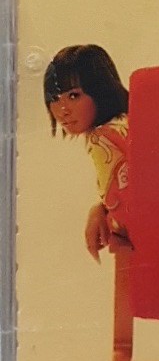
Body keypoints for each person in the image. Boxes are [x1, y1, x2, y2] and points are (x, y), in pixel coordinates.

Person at [44, 45, 131, 262]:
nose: (62, 110)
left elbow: (124, 210)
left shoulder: (101, 138)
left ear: (100, 91)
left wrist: (104, 213)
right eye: (54, 98)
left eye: (74, 95)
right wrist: (100, 209)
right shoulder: (125, 122)